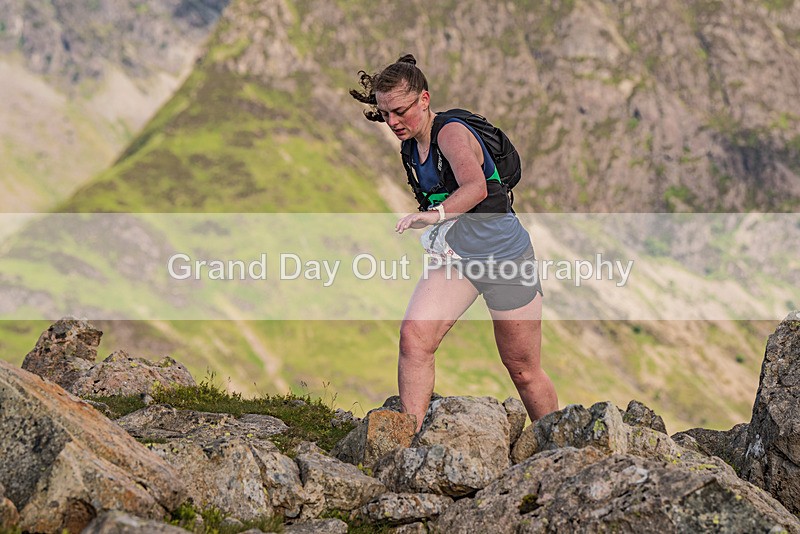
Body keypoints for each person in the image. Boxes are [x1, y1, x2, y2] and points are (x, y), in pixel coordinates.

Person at [350, 54, 558, 432]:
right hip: (458, 255)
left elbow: (476, 188)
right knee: (415, 337)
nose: (393, 122)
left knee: (524, 370)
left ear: (424, 100)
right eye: (385, 114)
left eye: (400, 111)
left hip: (505, 258)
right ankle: (406, 439)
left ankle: (561, 447)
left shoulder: (451, 133)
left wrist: (436, 215)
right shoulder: (411, 147)